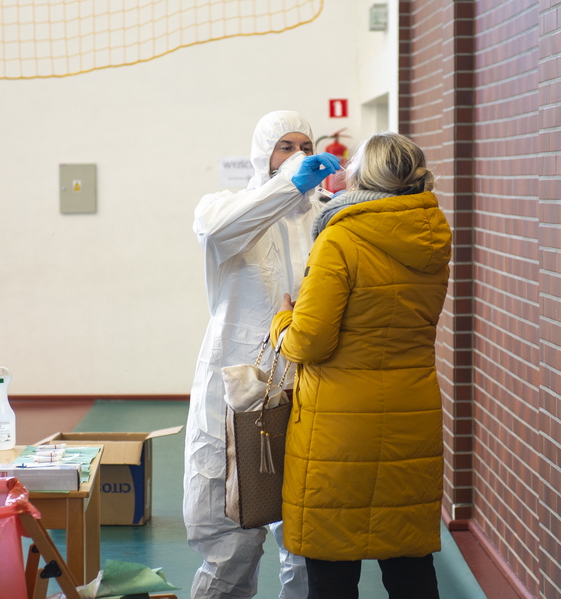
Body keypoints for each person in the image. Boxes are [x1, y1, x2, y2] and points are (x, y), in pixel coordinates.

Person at [269, 132, 451, 599]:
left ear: (365, 175)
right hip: (412, 411)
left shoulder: (341, 238)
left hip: (340, 425)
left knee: (332, 568)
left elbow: (309, 342)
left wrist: (283, 321)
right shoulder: (433, 234)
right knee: (410, 566)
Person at [184, 110, 340, 599]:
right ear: (262, 153)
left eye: (304, 146)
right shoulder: (223, 207)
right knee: (233, 536)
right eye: (284, 146)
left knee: (304, 538)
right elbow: (222, 232)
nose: (295, 156)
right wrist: (289, 186)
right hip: (239, 390)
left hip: (310, 385)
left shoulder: (327, 214)